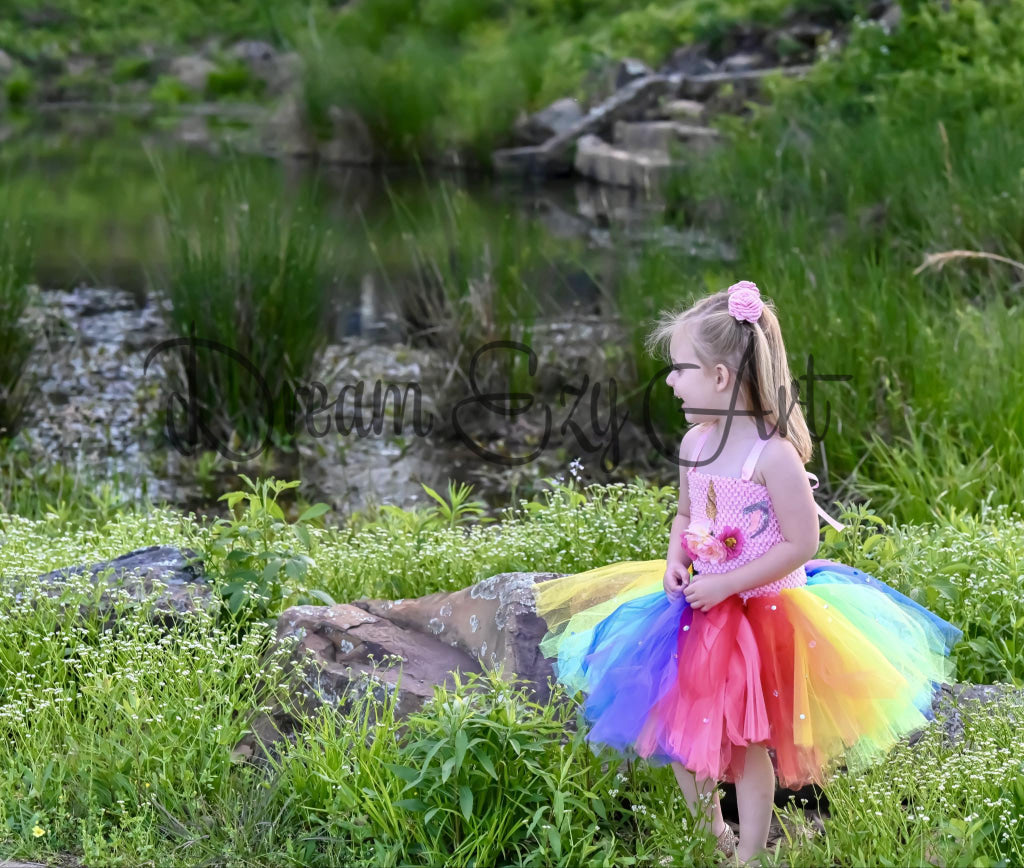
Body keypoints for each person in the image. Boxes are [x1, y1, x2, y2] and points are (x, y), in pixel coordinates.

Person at [532, 280, 962, 866]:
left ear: (719, 378)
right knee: (682, 734)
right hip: (698, 611)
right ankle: (711, 835)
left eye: (680, 368)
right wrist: (675, 559)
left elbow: (803, 541)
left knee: (747, 745)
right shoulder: (694, 443)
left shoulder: (773, 455)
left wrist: (730, 582)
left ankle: (751, 853)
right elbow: (686, 513)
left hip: (764, 617)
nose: (669, 381)